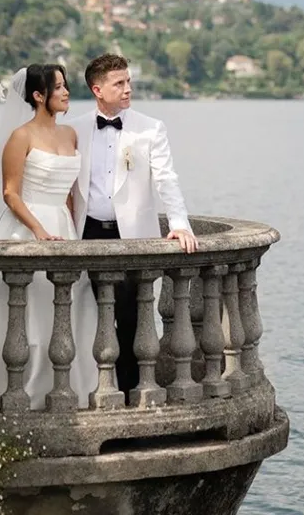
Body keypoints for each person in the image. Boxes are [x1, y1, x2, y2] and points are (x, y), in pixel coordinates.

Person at [0, 64, 98, 410]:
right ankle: (15, 392)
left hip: (64, 227)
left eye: (66, 86)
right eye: (58, 88)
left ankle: (65, 389)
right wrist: (38, 230)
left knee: (64, 310)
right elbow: (10, 193)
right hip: (28, 225)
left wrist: (69, 228)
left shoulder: (70, 135)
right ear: (39, 96)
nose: (66, 92)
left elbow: (70, 193)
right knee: (29, 310)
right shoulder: (20, 137)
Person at [66, 53, 197, 396]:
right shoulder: (74, 128)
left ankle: (128, 395)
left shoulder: (151, 128)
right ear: (97, 89)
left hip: (132, 237)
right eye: (119, 83)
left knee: (130, 321)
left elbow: (167, 179)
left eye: (129, 82)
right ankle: (87, 392)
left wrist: (180, 223)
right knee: (84, 317)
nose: (127, 89)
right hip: (85, 234)